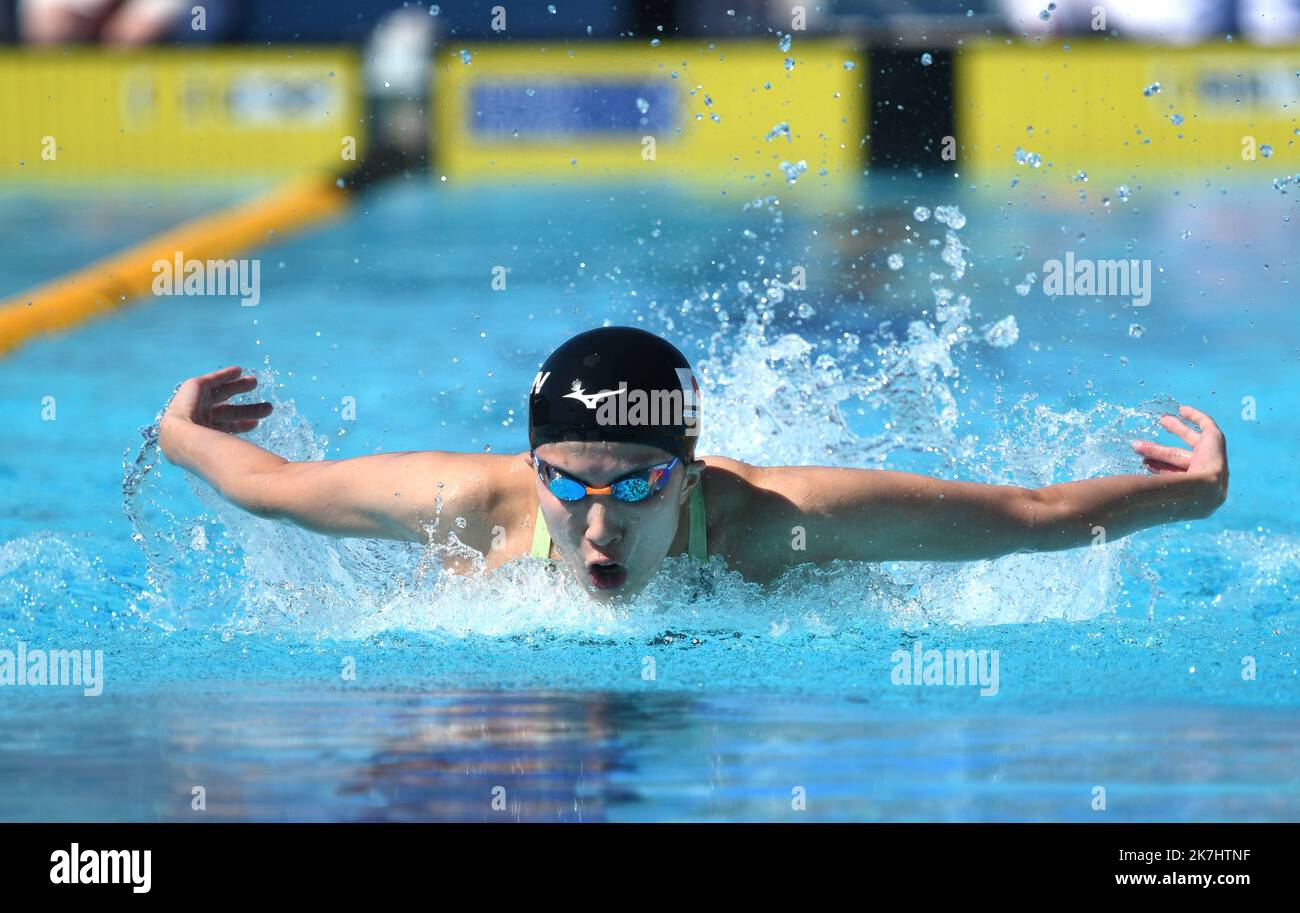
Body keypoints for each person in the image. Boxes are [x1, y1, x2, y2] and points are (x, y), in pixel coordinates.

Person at [158, 326, 1229, 602]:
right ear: (531, 463)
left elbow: (1031, 516)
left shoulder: (777, 518)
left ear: (687, 470)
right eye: (567, 479)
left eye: (636, 484)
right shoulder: (473, 508)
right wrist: (179, 431)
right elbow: (270, 487)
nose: (596, 520)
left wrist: (1193, 495)